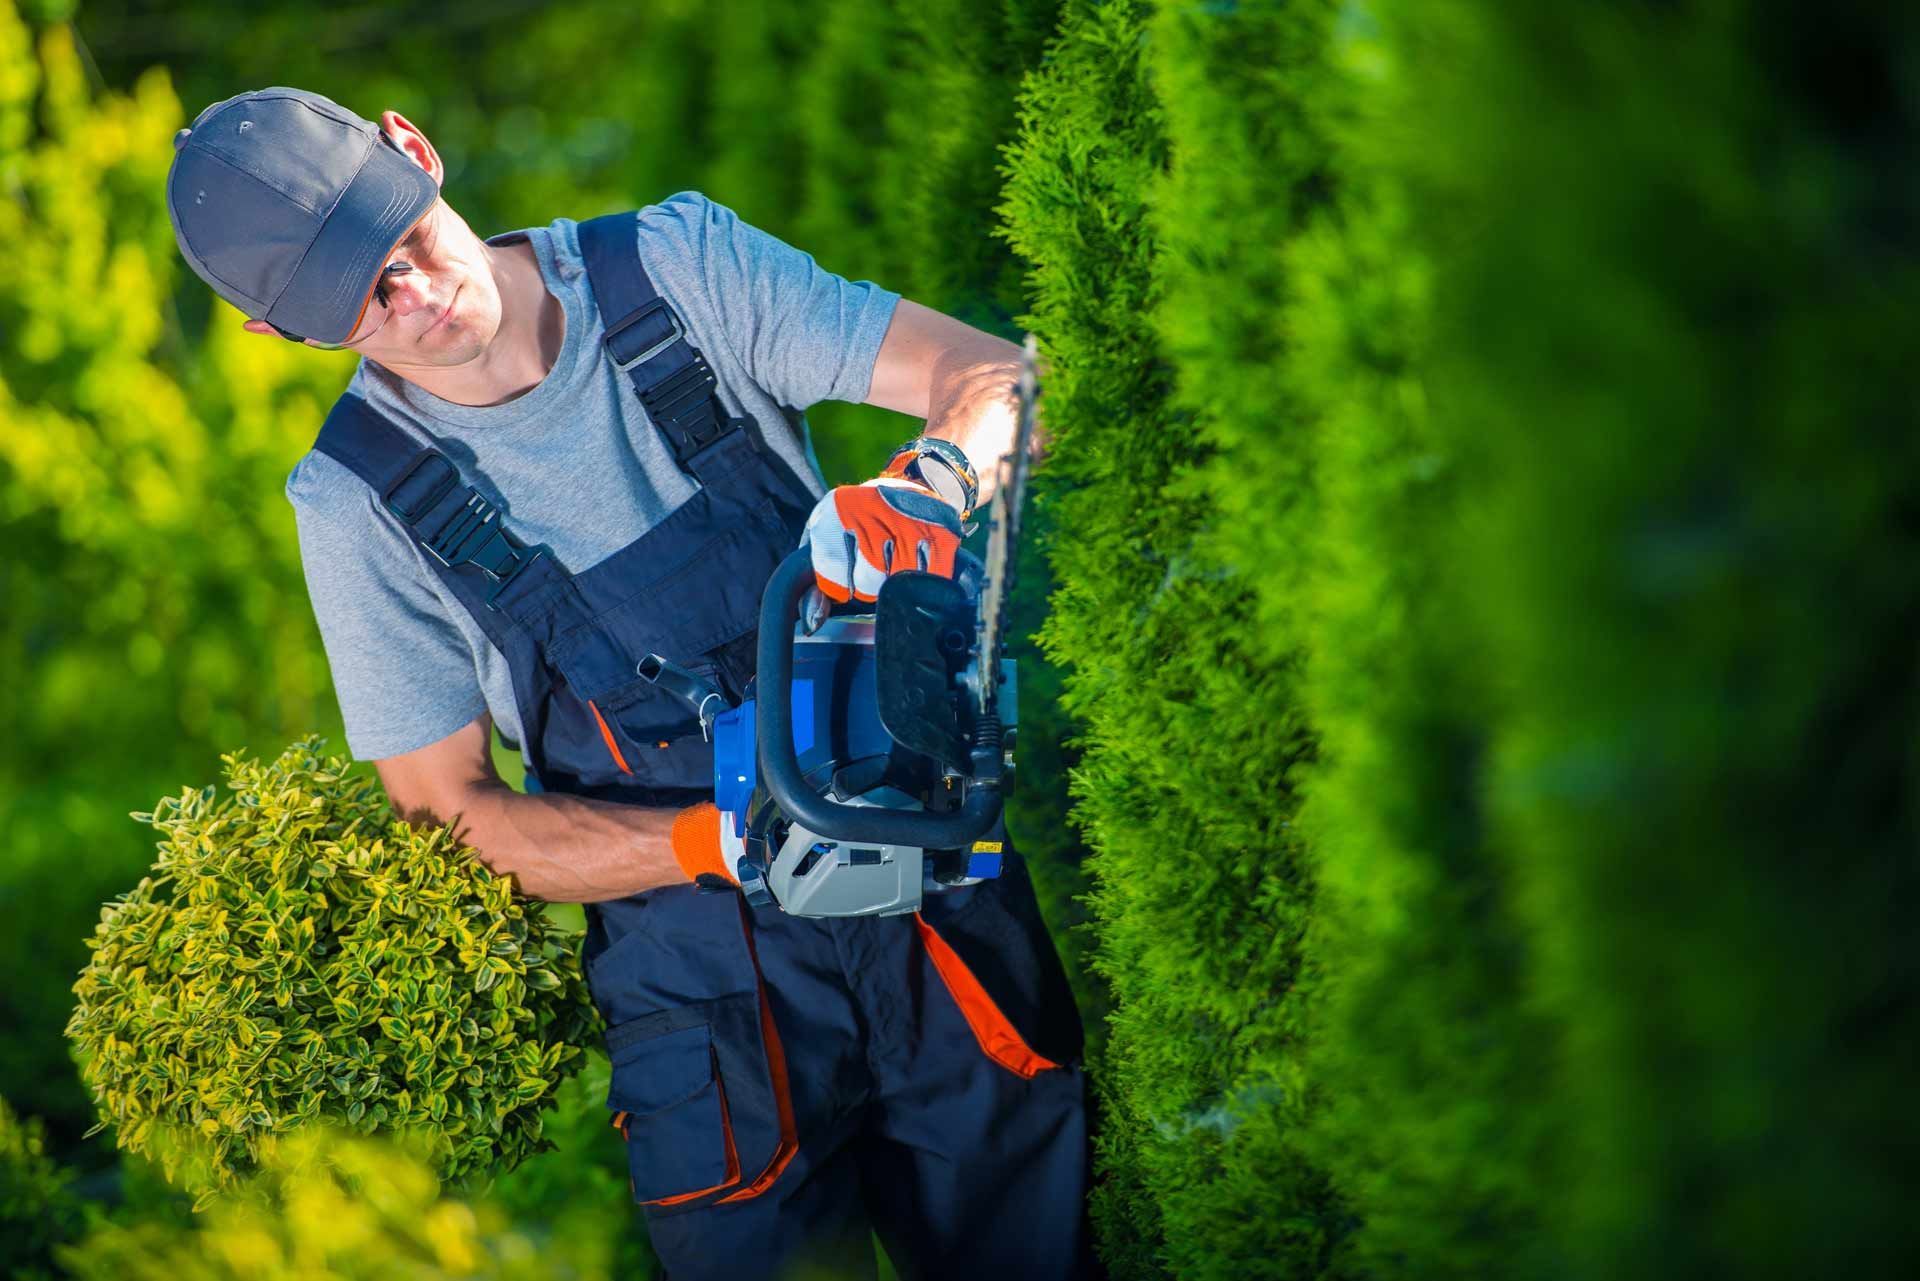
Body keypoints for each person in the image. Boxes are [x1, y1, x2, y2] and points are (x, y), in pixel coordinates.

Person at [164, 87, 1096, 1280]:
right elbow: (455, 824)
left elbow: (999, 378)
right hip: (706, 1011)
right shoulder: (356, 505)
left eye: (394, 240)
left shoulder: (673, 269)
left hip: (929, 903)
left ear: (415, 150)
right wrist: (719, 843)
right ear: (276, 335)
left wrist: (935, 480)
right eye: (355, 302)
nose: (410, 293)